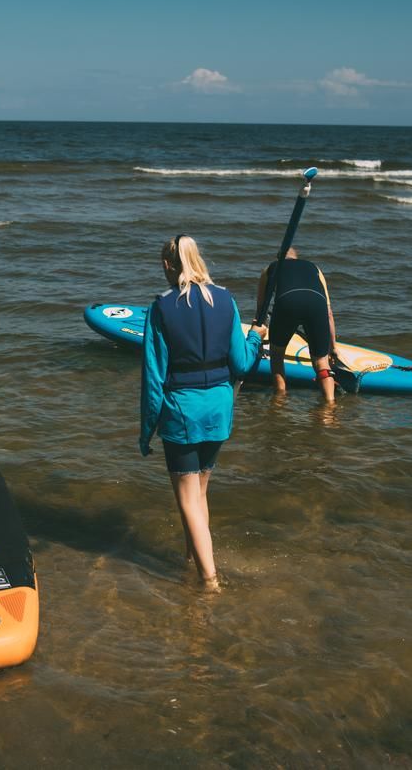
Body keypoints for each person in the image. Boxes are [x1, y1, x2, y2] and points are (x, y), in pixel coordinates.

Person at [140, 235, 266, 589]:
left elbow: (153, 377)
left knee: (187, 498)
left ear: (168, 265)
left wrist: (146, 431)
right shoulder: (225, 299)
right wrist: (255, 337)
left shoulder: (161, 307)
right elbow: (241, 363)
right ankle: (191, 558)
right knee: (200, 494)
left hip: (182, 411)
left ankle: (209, 580)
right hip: (219, 409)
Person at [255, 246, 339, 404]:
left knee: (277, 355)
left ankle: (280, 401)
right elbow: (329, 313)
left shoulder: (270, 268)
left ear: (277, 257)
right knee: (321, 361)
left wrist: (258, 338)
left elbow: (261, 308)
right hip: (316, 303)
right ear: (297, 257)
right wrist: (333, 348)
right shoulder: (315, 268)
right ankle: (329, 404)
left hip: (287, 302)